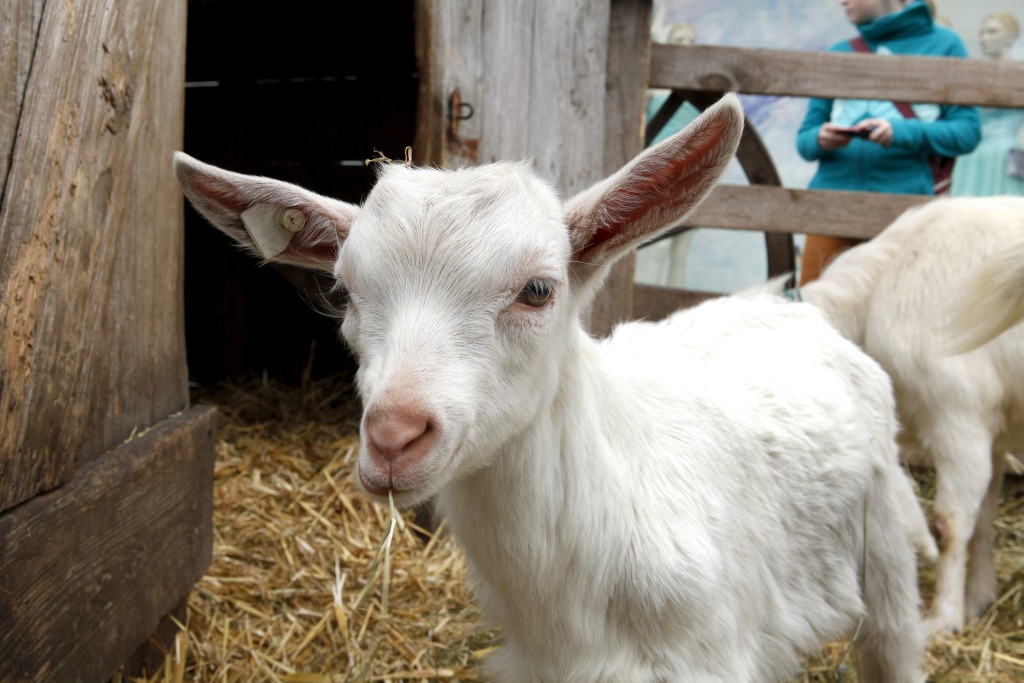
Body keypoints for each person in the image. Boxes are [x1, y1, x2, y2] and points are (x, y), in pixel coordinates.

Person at [795, 0, 981, 285]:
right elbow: (804, 141)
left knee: (902, 310)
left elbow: (967, 132)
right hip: (829, 207)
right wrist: (821, 138)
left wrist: (900, 132)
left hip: (905, 214)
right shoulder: (839, 52)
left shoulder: (945, 45)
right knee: (812, 305)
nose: (842, 1)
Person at [951, 12, 1024, 197]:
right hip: (973, 152)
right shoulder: (973, 74)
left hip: (1006, 153)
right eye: (982, 33)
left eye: (992, 32)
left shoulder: (1020, 74)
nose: (984, 38)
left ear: (1012, 36)